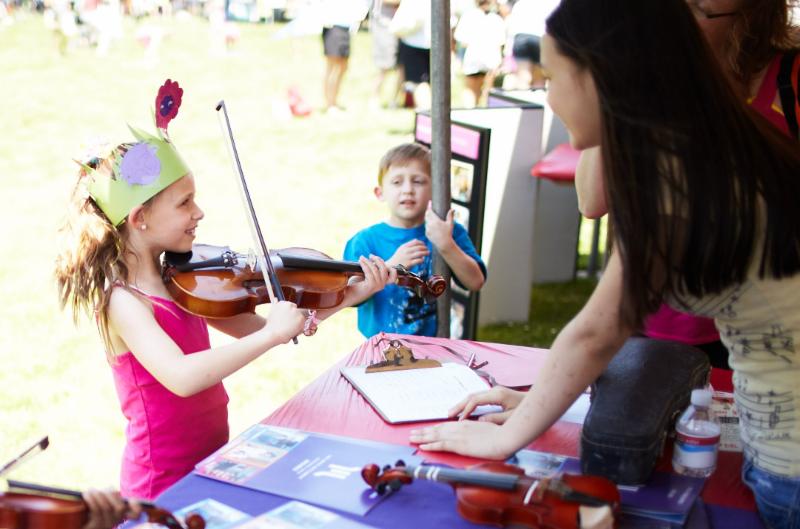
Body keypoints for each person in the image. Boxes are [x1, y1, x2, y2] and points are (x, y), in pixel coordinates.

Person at [408, 2, 800, 528]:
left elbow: (598, 331)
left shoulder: (676, 165)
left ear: (602, 77)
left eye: (552, 77)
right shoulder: (701, 137)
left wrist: (505, 437)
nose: (548, 95)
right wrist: (545, 402)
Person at [54, 80, 396, 500]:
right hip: (160, 481)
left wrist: (345, 298)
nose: (199, 212)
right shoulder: (124, 301)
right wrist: (272, 334)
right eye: (185, 203)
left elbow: (267, 327)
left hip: (209, 460)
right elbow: (182, 376)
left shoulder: (182, 280)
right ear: (140, 218)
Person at [575, 0, 800, 370]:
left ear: (754, 12)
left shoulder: (787, 79)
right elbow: (592, 200)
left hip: (766, 327)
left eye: (696, 10)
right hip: (654, 319)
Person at [344, 143, 486, 338]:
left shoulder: (447, 231)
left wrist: (446, 245)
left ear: (435, 190)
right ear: (380, 192)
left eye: (418, 181)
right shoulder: (364, 242)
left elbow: (475, 282)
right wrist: (391, 266)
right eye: (397, 182)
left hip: (434, 345)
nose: (408, 190)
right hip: (381, 347)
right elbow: (349, 296)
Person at [453, 0, 506, 108]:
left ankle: (470, 112)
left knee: (471, 91)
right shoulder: (496, 19)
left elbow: (462, 42)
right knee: (487, 92)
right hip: (491, 59)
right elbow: (500, 43)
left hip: (473, 58)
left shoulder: (468, 16)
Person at [319, 0, 369, 113]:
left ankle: (334, 101)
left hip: (346, 28)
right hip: (333, 27)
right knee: (332, 67)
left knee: (343, 67)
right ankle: (330, 104)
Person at [505, 0, 560, 89]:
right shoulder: (549, 3)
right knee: (539, 77)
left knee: (523, 77)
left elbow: (511, 25)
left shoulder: (521, 3)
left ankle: (522, 96)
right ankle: (537, 94)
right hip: (540, 37)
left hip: (521, 37)